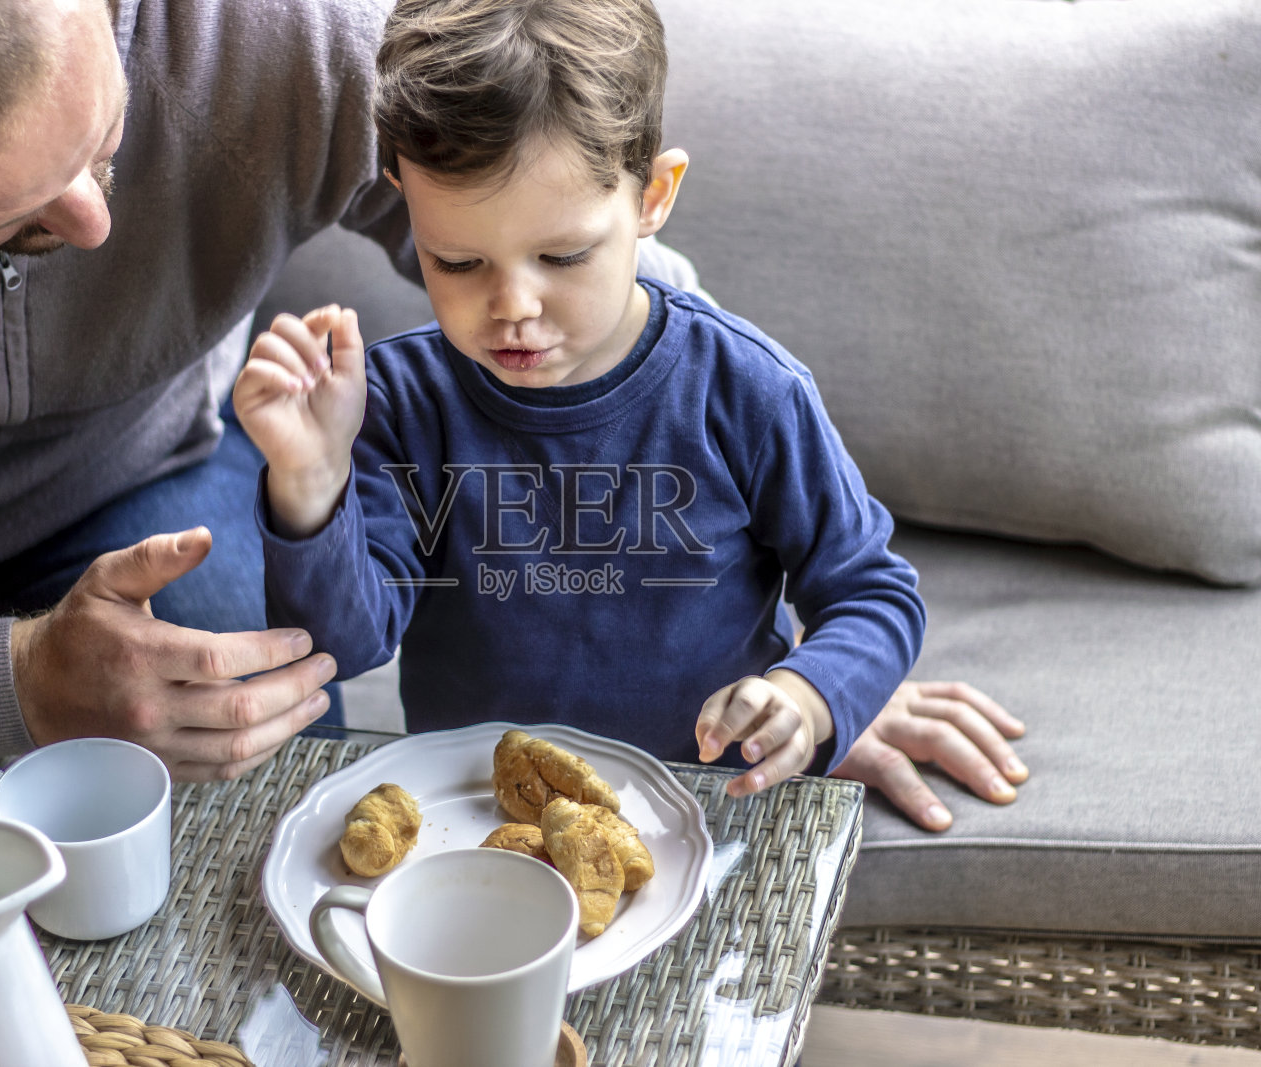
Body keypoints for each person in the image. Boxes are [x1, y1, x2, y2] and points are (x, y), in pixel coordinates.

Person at [0, 0, 1024, 819]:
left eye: (108, 143)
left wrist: (822, 679)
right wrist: (6, 676)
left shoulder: (276, 46)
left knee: (242, 687)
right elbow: (364, 617)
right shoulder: (409, 402)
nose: (96, 230)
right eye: (11, 220)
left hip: (128, 497)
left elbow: (578, 248)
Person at [238, 0, 945, 796]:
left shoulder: (749, 389)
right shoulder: (400, 406)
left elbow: (872, 591)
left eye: (563, 255)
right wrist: (310, 481)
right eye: (457, 263)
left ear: (652, 197)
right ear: (405, 198)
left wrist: (808, 696)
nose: (513, 307)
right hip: (480, 815)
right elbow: (344, 648)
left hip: (704, 803)